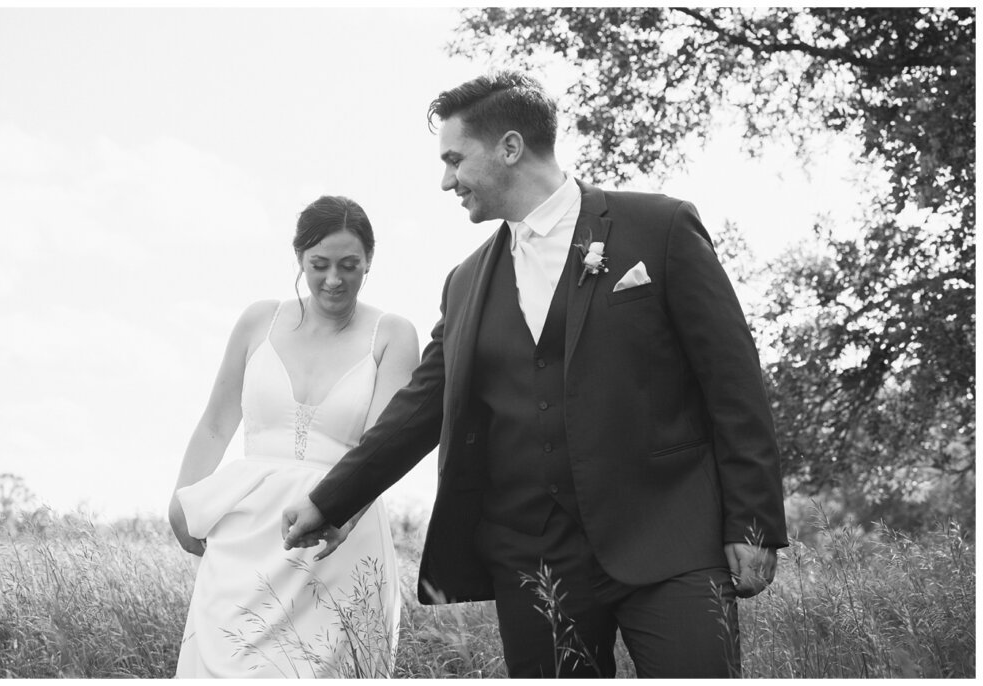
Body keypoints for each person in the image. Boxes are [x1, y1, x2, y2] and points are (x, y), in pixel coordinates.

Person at [282, 71, 788, 678]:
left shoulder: (660, 228)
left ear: (510, 147)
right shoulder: (464, 283)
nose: (446, 181)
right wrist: (330, 500)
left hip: (671, 539)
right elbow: (419, 409)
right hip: (534, 560)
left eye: (454, 159)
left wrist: (754, 523)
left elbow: (733, 384)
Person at [168, 196, 420, 678]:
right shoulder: (258, 321)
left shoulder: (392, 335)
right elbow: (217, 423)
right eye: (319, 264)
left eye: (350, 265)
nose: (334, 279)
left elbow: (381, 449)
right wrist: (181, 504)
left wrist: (338, 515)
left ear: (369, 261)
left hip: (336, 540)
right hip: (244, 538)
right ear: (299, 256)